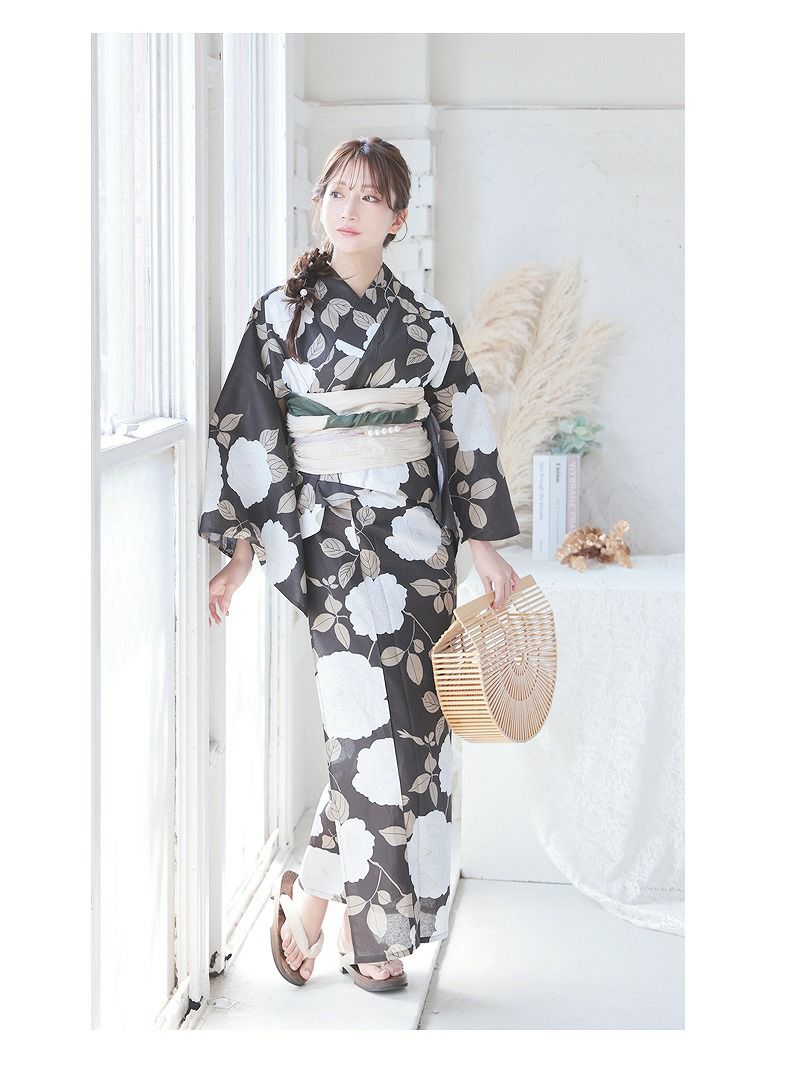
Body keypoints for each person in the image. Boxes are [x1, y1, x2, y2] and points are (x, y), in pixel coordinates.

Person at [198, 136, 521, 991]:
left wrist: (483, 542)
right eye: (337, 192)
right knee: (363, 728)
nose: (348, 209)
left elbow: (463, 427)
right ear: (320, 204)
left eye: (369, 197)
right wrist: (241, 551)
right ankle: (370, 938)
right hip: (331, 540)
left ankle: (312, 896)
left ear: (398, 219)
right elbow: (247, 429)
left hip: (417, 544)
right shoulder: (279, 316)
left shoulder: (427, 324)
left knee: (410, 727)